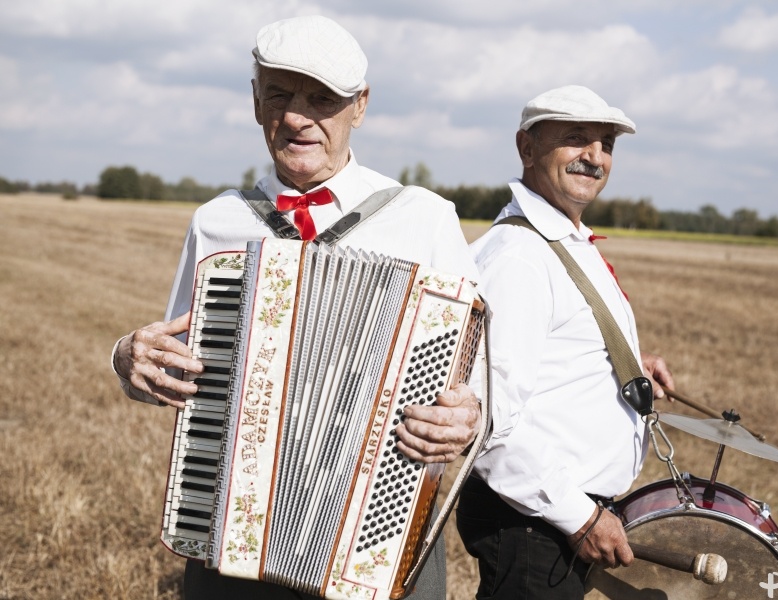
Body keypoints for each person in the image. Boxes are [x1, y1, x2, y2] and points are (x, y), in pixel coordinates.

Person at [110, 15, 481, 600]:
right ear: (255, 102)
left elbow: (480, 385)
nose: (297, 118)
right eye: (279, 94)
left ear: (360, 106)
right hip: (232, 539)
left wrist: (467, 417)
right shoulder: (218, 221)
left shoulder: (424, 217)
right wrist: (129, 358)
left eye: (322, 99)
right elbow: (173, 364)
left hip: (377, 540)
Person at [456, 85, 675, 599]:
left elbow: (549, 345)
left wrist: (616, 363)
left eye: (606, 145)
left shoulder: (560, 240)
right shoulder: (518, 259)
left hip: (546, 520)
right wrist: (580, 517)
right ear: (526, 148)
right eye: (576, 139)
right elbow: (486, 422)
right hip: (535, 525)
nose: (594, 157)